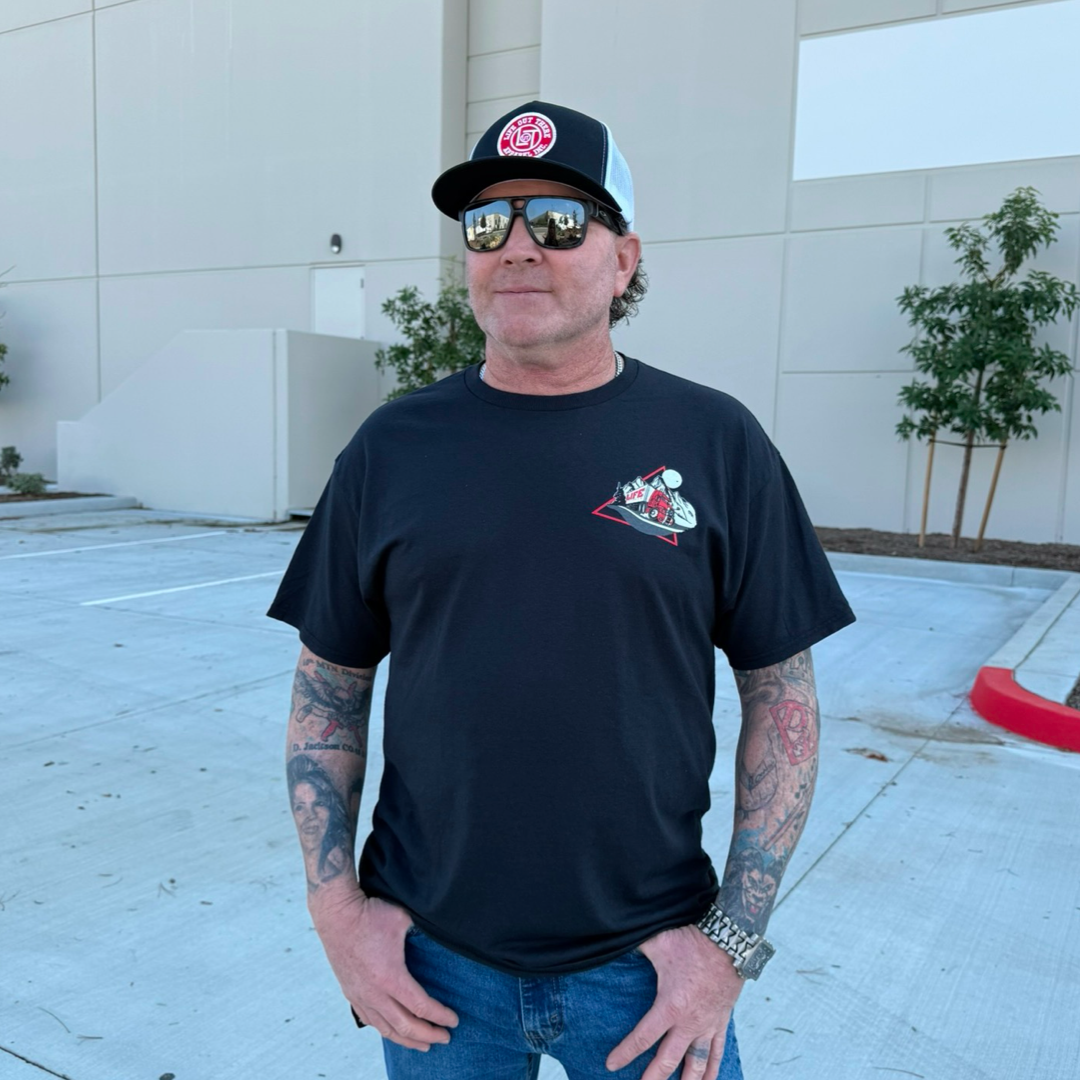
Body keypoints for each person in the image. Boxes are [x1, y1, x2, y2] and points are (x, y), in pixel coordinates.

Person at [268, 100, 855, 1080]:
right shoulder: (391, 449)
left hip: (652, 973)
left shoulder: (716, 442)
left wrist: (733, 947)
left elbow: (781, 695)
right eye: (489, 225)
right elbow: (327, 685)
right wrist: (338, 917)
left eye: (561, 221)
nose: (519, 248)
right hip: (433, 971)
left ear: (624, 259)